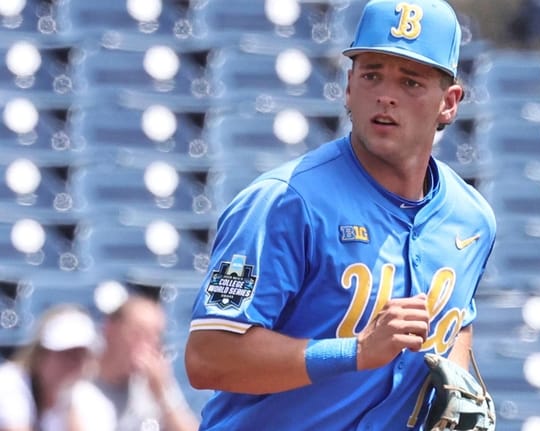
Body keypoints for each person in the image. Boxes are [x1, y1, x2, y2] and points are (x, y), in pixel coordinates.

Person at [184, 0, 496, 429]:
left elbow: (459, 320)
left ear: (449, 103)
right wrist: (355, 352)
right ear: (349, 86)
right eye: (371, 75)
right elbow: (208, 357)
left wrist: (455, 383)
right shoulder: (284, 203)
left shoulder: (471, 219)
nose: (385, 96)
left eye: (410, 81)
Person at [94, 293, 200, 431]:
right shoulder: (81, 377)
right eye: (138, 334)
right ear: (109, 329)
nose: (146, 346)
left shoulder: (155, 381)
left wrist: (162, 395)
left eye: (154, 337)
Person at [0, 303, 114, 431]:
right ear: (40, 355)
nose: (74, 364)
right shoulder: (9, 383)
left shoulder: (93, 401)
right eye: (66, 354)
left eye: (82, 355)